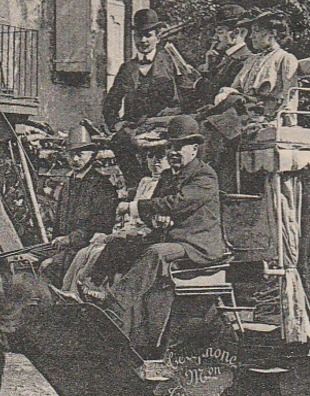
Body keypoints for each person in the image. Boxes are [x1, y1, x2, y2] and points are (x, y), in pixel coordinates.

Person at [87, 117, 225, 341]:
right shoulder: (169, 176)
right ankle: (92, 287)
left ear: (194, 149)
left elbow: (176, 203)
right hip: (171, 238)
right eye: (170, 146)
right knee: (120, 244)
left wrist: (134, 207)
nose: (173, 151)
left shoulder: (205, 176)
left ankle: (115, 303)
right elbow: (158, 207)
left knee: (156, 253)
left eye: (179, 146)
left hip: (197, 245)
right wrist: (155, 221)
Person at [40, 124, 121, 289]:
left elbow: (102, 225)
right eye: (71, 155)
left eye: (80, 154)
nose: (75, 160)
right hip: (63, 247)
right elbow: (59, 221)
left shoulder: (102, 185)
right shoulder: (68, 184)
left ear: (91, 154)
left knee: (47, 267)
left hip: (84, 247)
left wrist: (70, 239)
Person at [103, 8, 198, 131]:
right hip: (135, 131)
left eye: (148, 35)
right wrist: (116, 124)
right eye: (138, 35)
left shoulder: (172, 62)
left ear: (158, 38)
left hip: (167, 128)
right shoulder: (127, 68)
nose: (143, 40)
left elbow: (190, 98)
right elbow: (110, 104)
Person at [209, 9, 300, 124]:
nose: (251, 37)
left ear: (273, 33)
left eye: (256, 31)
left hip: (263, 114)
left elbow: (290, 95)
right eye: (252, 32)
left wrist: (282, 121)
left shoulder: (285, 58)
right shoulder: (251, 59)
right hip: (243, 110)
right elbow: (234, 88)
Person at [193, 3, 253, 107]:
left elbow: (214, 96)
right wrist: (208, 68)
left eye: (219, 32)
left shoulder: (244, 60)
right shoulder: (224, 58)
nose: (215, 37)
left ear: (235, 33)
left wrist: (197, 80)